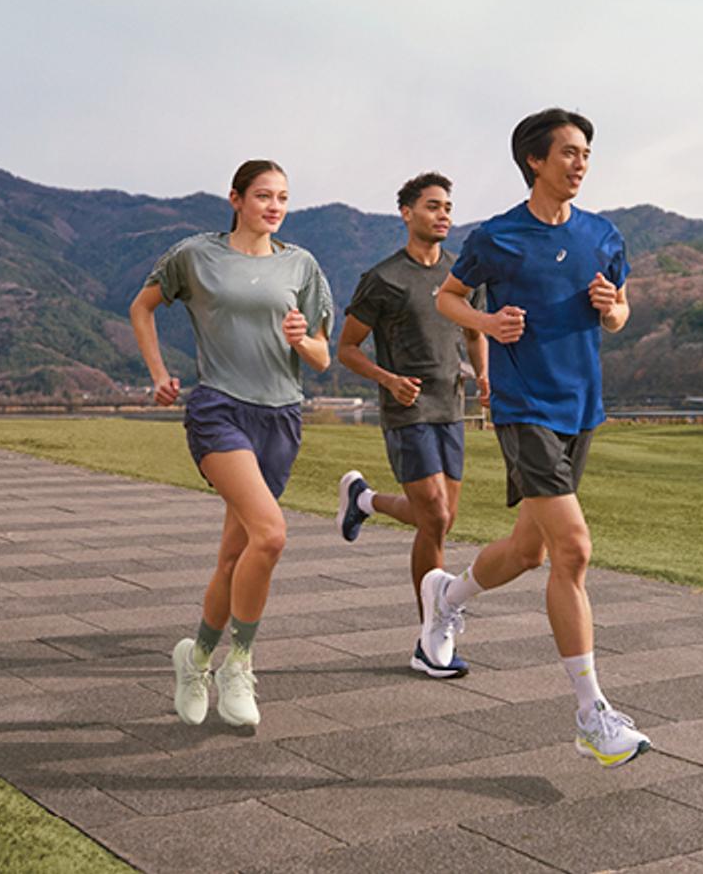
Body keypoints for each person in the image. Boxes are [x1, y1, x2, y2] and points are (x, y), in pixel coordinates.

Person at [431, 108, 650, 766]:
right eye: (569, 153)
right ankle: (591, 713)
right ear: (535, 160)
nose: (581, 163)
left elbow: (619, 315)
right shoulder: (499, 237)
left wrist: (613, 309)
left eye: (586, 153)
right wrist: (487, 323)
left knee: (530, 550)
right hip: (524, 406)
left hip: (580, 406)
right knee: (573, 551)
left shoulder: (603, 234)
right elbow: (447, 297)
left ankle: (448, 594)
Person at [128, 160, 333, 729]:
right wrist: (158, 373)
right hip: (219, 410)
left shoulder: (302, 265)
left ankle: (193, 658)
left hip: (282, 416)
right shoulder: (196, 255)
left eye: (283, 197)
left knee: (232, 557)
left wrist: (303, 340)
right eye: (263, 195)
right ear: (236, 199)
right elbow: (141, 307)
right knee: (270, 534)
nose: (274, 206)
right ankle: (238, 662)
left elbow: (321, 355)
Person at [333, 172, 489, 679]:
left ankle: (363, 500)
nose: (443, 214)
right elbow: (347, 349)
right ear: (406, 213)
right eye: (432, 206)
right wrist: (388, 379)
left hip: (451, 408)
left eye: (448, 206)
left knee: (438, 520)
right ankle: (430, 637)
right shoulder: (383, 279)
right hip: (407, 411)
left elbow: (473, 333)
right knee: (436, 517)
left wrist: (485, 377)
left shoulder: (458, 276)